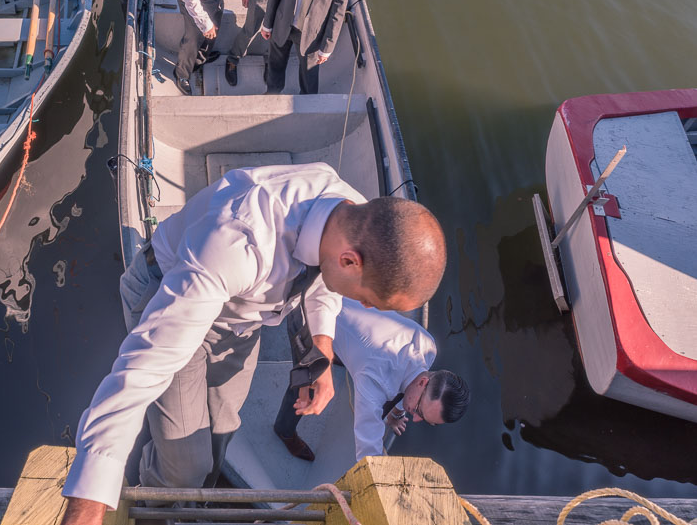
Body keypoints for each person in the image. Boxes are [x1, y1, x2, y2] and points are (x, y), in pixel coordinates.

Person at [60, 163, 447, 525]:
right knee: (185, 465)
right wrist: (88, 500)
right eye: (370, 300)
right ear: (351, 261)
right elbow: (143, 368)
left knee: (225, 427)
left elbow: (323, 283)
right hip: (170, 292)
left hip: (244, 320)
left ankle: (190, 489)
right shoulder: (237, 241)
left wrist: (324, 352)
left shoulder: (349, 216)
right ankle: (157, 503)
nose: (363, 307)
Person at [274, 298, 470, 462]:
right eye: (419, 411)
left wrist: (396, 414)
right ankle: (284, 431)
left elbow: (407, 390)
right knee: (305, 386)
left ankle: (341, 354)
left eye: (425, 420)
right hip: (308, 315)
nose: (415, 419)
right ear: (423, 382)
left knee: (351, 352)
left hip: (343, 300)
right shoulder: (373, 382)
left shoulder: (428, 346)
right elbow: (368, 452)